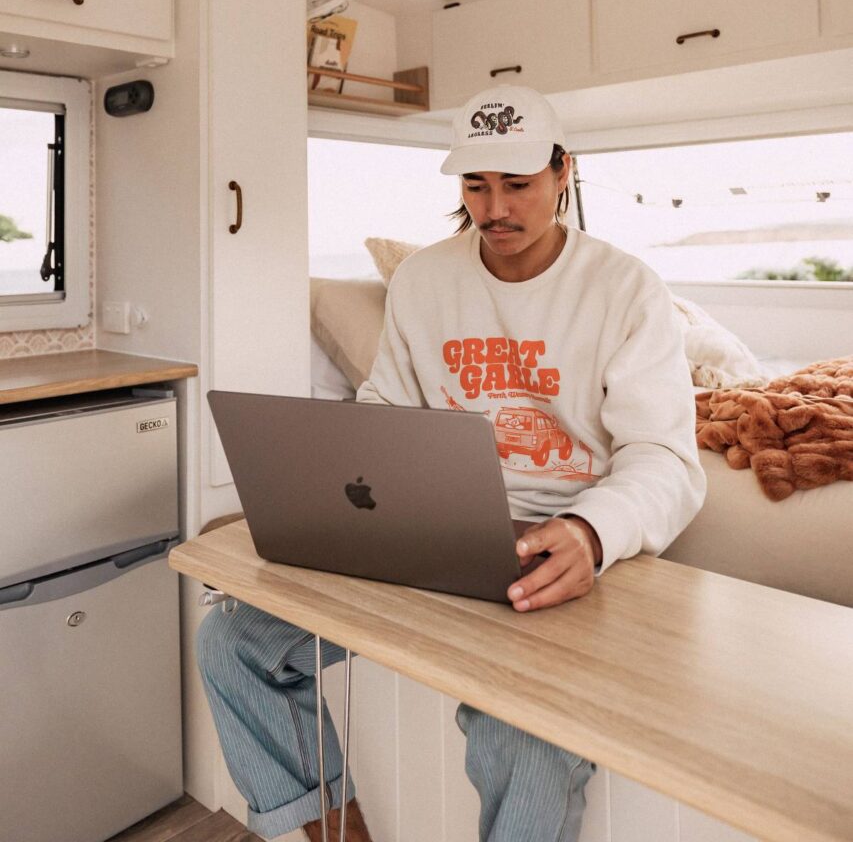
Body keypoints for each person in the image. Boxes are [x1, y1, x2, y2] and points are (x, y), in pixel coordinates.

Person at [196, 83, 705, 842]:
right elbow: (384, 417)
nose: (494, 208)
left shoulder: (624, 288)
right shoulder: (424, 280)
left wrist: (592, 533)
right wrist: (320, 514)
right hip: (432, 531)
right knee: (232, 641)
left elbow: (665, 457)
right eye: (475, 184)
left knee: (524, 730)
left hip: (558, 544)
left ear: (563, 171)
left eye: (517, 183)